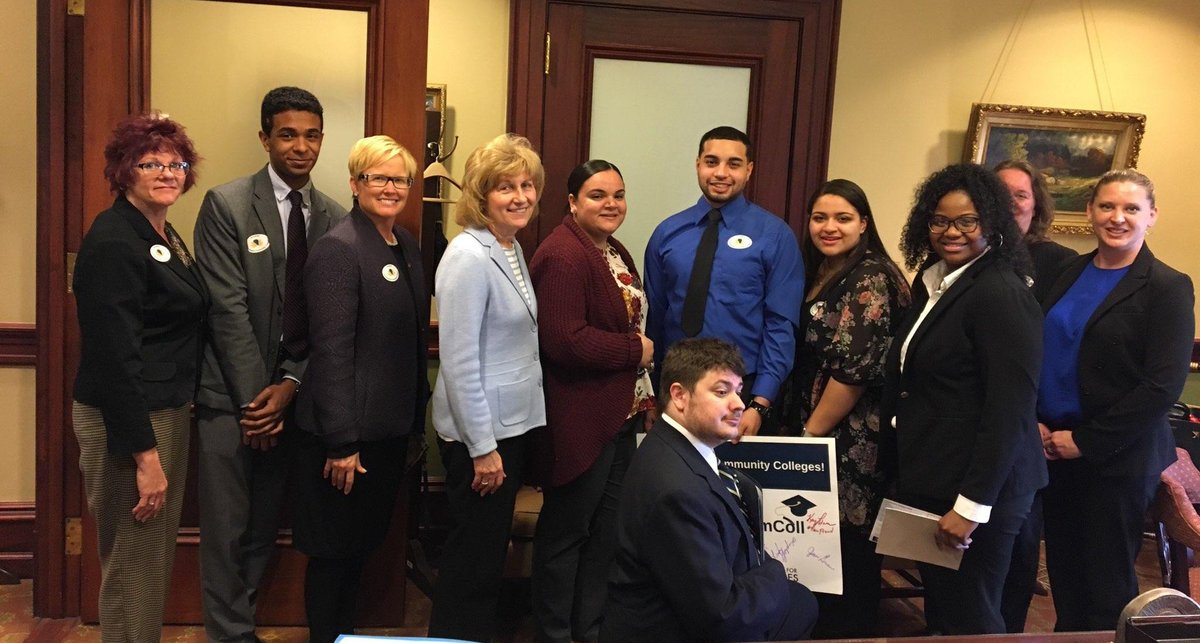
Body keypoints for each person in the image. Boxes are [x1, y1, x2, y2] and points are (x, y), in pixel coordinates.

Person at [193, 85, 346, 643]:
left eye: (310, 135)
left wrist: (288, 387)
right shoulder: (227, 204)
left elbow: (329, 321)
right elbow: (226, 310)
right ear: (265, 138)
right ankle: (228, 636)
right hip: (228, 402)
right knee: (228, 530)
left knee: (263, 527)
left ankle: (242, 625)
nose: (300, 147)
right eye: (287, 134)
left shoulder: (333, 214)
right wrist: (257, 402)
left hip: (291, 399)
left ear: (322, 140)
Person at [883, 163, 1046, 634]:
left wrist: (970, 507)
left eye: (967, 221)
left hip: (981, 493)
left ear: (991, 222)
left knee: (972, 619)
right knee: (946, 612)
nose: (951, 232)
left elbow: (1009, 412)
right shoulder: (932, 281)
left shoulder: (999, 292)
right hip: (937, 476)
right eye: (939, 220)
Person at [72, 113, 208, 642]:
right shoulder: (113, 240)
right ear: (124, 170)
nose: (167, 172)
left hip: (162, 409)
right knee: (131, 564)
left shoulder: (161, 229)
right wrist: (145, 458)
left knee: (150, 561)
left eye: (176, 163)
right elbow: (113, 360)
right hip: (126, 423)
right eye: (151, 163)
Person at [1039, 169, 1194, 631]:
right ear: (1090, 211)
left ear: (1151, 217)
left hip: (1115, 457)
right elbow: (1040, 352)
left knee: (1105, 584)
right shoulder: (1067, 271)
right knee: (1065, 574)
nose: (1117, 218)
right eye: (1107, 206)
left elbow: (1161, 385)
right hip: (1051, 447)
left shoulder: (1167, 286)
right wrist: (1038, 423)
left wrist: (1085, 441)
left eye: (1131, 209)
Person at [289, 135, 428, 642]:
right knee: (332, 556)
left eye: (400, 179)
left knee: (360, 551)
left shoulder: (404, 244)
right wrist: (342, 443)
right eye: (378, 177)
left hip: (387, 435)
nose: (390, 187)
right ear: (354, 183)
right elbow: (330, 352)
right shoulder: (339, 249)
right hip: (344, 441)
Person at [602, 337, 818, 642]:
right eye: (721, 391)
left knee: (799, 600)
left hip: (693, 607)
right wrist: (775, 573)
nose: (739, 404)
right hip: (670, 630)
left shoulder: (671, 445)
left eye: (739, 391)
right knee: (803, 604)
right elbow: (724, 616)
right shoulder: (676, 491)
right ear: (679, 395)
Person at [529, 160, 656, 643]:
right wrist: (635, 352)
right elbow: (564, 340)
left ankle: (590, 629)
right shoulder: (563, 255)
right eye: (598, 195)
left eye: (618, 194)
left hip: (619, 414)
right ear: (572, 202)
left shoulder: (611, 249)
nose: (611, 204)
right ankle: (554, 633)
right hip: (579, 419)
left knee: (605, 534)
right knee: (567, 535)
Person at [428, 133, 547, 642]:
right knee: (472, 562)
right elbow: (458, 364)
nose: (520, 196)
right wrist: (483, 450)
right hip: (482, 437)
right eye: (505, 187)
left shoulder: (510, 246)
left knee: (485, 554)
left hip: (510, 428)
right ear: (481, 196)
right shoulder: (468, 256)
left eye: (527, 185)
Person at [784, 179, 910, 638]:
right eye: (820, 218)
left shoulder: (871, 276)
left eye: (842, 218)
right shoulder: (823, 268)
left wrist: (810, 436)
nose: (829, 227)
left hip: (849, 436)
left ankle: (849, 632)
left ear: (864, 223)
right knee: (815, 543)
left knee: (847, 550)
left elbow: (853, 372)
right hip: (821, 426)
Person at [644, 126, 804, 438]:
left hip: (742, 392)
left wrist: (760, 403)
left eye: (733, 164)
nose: (721, 173)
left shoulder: (775, 236)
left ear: (749, 170)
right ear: (698, 165)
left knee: (736, 486)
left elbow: (780, 324)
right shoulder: (667, 234)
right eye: (711, 161)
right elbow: (655, 320)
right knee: (676, 483)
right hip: (678, 391)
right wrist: (653, 394)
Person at [992, 158, 1076, 633]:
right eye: (998, 193)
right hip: (978, 423)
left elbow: (1063, 350)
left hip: (1033, 430)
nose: (1009, 203)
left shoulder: (1061, 264)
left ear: (1036, 204)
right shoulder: (966, 256)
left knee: (1019, 545)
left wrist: (1041, 419)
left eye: (1020, 195)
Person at [994, 159, 1078, 303]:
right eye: (1001, 193)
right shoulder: (969, 250)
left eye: (1021, 195)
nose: (1009, 202)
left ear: (1035, 207)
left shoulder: (1060, 260)